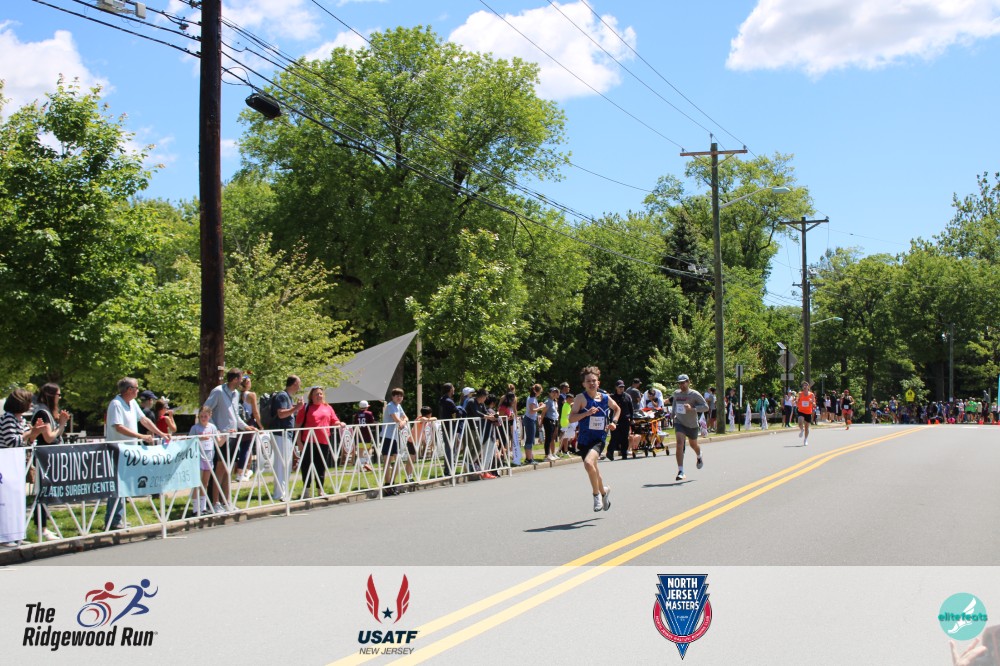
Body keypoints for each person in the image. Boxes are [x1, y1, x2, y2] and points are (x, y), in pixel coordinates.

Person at [104, 378, 170, 529]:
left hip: (129, 451)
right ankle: (113, 520)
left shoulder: (132, 403)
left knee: (123, 486)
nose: (138, 391)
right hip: (117, 450)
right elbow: (118, 427)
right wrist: (141, 436)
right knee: (117, 485)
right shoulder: (116, 404)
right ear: (129, 389)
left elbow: (144, 420)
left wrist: (161, 434)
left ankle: (117, 518)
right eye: (136, 388)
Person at [203, 368, 258, 513]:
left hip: (233, 436)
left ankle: (227, 501)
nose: (243, 381)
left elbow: (235, 415)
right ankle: (215, 502)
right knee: (220, 469)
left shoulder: (236, 394)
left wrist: (246, 426)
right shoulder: (218, 391)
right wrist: (216, 430)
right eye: (241, 378)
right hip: (222, 437)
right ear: (234, 379)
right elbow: (206, 410)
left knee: (228, 470)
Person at [567, 366, 618, 512]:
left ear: (598, 382)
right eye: (588, 381)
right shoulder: (580, 398)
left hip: (599, 438)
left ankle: (596, 495)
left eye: (594, 381)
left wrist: (614, 422)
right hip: (584, 439)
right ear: (584, 384)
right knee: (594, 470)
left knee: (588, 463)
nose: (591, 383)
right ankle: (604, 492)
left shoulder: (605, 398)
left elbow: (617, 409)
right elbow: (571, 418)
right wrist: (586, 413)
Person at [295, 386, 342, 497]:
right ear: (311, 396)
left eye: (320, 394)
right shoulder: (306, 407)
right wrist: (299, 442)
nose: (319, 396)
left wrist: (340, 423)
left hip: (323, 441)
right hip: (308, 441)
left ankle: (320, 489)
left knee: (321, 466)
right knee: (306, 465)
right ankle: (306, 490)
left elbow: (334, 421)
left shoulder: (328, 407)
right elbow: (298, 425)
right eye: (316, 394)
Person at [270, 375, 304, 501]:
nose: (300, 386)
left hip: (286, 434)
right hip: (281, 434)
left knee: (286, 464)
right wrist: (296, 408)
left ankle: (283, 492)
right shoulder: (282, 396)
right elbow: (281, 414)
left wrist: (295, 408)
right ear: (294, 384)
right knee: (281, 464)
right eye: (299, 384)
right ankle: (279, 493)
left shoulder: (287, 397)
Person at [670, 374, 708, 481]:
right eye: (680, 383)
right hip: (679, 422)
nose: (681, 385)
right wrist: (673, 413)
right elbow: (675, 403)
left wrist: (692, 408)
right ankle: (681, 471)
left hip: (692, 424)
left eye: (683, 382)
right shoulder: (676, 393)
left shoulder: (694, 394)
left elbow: (706, 407)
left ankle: (699, 455)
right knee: (679, 444)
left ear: (688, 382)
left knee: (693, 444)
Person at [189, 406, 223, 515]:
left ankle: (203, 507)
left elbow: (219, 442)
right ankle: (195, 508)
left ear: (209, 416)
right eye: (201, 416)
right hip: (198, 457)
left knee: (205, 482)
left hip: (209, 458)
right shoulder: (195, 428)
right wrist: (200, 438)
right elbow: (189, 441)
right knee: (197, 483)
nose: (203, 418)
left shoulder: (212, 427)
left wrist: (227, 434)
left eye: (205, 416)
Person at [233, 375, 263, 483]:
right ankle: (241, 472)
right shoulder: (251, 395)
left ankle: (244, 471)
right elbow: (255, 411)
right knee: (246, 447)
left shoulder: (237, 394)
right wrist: (261, 425)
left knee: (242, 447)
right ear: (247, 384)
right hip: (249, 422)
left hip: (239, 424)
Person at [380, 388, 410, 495]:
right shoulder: (390, 406)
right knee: (387, 460)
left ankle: (392, 483)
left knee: (397, 460)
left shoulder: (398, 406)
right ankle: (387, 484)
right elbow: (396, 418)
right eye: (397, 395)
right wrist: (402, 422)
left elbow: (405, 417)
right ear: (392, 397)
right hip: (387, 436)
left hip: (395, 437)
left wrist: (404, 421)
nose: (399, 397)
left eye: (401, 396)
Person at [607, 380, 633, 461]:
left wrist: (631, 418)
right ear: (616, 388)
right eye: (620, 387)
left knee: (624, 437)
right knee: (614, 437)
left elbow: (631, 408)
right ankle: (610, 452)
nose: (621, 388)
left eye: (623, 387)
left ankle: (624, 454)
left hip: (625, 419)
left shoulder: (627, 396)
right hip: (615, 420)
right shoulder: (612, 397)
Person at [522, 384, 545, 464]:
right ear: (536, 391)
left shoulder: (531, 398)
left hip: (530, 419)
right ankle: (529, 459)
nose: (540, 393)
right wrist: (541, 407)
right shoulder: (532, 399)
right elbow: (532, 411)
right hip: (530, 420)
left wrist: (539, 406)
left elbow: (533, 408)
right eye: (540, 392)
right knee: (530, 439)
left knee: (530, 439)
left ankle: (529, 457)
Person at [353, 400, 376, 472]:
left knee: (360, 451)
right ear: (367, 407)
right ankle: (367, 462)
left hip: (359, 434)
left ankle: (361, 465)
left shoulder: (356, 414)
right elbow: (372, 423)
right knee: (370, 449)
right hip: (367, 434)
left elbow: (355, 424)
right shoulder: (369, 413)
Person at [542, 387, 560, 462]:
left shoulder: (554, 401)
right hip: (548, 420)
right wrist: (540, 422)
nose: (554, 394)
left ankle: (552, 453)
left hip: (555, 420)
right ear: (549, 393)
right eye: (553, 392)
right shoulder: (548, 401)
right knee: (548, 438)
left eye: (556, 392)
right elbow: (543, 412)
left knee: (553, 438)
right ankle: (547, 455)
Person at [796, 381, 817, 445]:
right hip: (801, 411)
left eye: (806, 385)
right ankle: (801, 430)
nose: (805, 386)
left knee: (807, 427)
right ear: (802, 387)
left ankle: (805, 440)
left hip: (808, 412)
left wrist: (811, 402)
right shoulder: (800, 394)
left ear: (808, 387)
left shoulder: (811, 394)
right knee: (800, 421)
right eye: (803, 385)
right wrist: (796, 401)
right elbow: (797, 400)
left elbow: (814, 405)